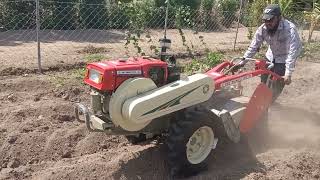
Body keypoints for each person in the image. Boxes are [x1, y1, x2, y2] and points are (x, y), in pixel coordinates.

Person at [238, 4, 302, 101]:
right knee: (264, 82)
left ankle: (269, 103)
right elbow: (253, 46)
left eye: (271, 20)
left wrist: (288, 74)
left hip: (284, 59)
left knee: (276, 87)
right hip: (271, 55)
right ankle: (261, 101)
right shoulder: (263, 29)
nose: (267, 23)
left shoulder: (289, 30)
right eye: (265, 20)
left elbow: (292, 53)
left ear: (279, 18)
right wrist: (241, 63)